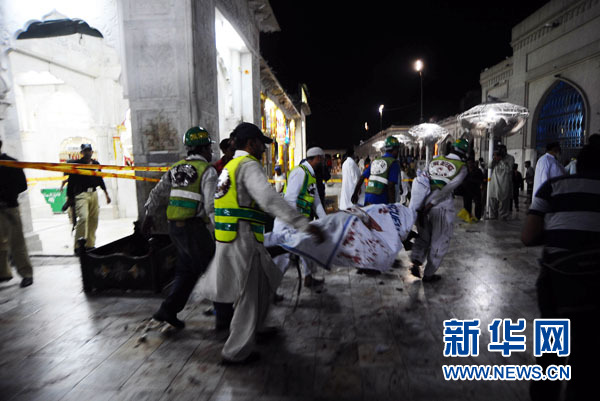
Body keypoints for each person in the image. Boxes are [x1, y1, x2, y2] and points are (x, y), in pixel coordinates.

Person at [197, 122, 324, 365]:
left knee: (265, 282)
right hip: (242, 240)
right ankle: (235, 351)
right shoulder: (247, 165)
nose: (264, 149)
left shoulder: (230, 166)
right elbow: (268, 199)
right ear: (250, 143)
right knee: (249, 295)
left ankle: (258, 327)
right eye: (261, 144)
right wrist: (303, 224)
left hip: (234, 237)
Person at [522, 140, 600, 401]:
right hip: (595, 287)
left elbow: (528, 237)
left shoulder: (553, 187)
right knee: (588, 356)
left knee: (550, 353)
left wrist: (559, 234)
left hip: (557, 283)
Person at [142, 126, 218, 329]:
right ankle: (224, 316)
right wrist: (219, 231)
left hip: (175, 229)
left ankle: (167, 311)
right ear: (203, 149)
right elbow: (211, 206)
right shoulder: (207, 171)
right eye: (209, 148)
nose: (211, 152)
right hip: (193, 229)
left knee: (187, 272)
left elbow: (156, 192)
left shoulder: (175, 168)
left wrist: (149, 215)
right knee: (215, 267)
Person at [410, 139, 469, 282]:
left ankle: (416, 261)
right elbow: (448, 188)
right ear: (464, 154)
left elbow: (423, 180)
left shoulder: (435, 159)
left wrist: (420, 205)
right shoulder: (461, 167)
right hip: (441, 208)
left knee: (424, 236)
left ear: (452, 148)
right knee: (440, 240)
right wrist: (432, 204)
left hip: (423, 206)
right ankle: (429, 274)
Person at [273, 146, 327, 287]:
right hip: (288, 222)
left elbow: (316, 203)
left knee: (307, 247)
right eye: (322, 160)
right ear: (318, 158)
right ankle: (270, 289)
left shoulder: (311, 176)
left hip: (299, 221)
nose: (323, 163)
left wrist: (326, 221)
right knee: (283, 259)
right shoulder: (300, 172)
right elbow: (290, 200)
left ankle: (308, 277)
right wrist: (297, 223)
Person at [0, 139, 34, 287]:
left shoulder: (11, 163)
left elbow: (22, 185)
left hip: (9, 208)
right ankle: (3, 273)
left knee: (17, 243)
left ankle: (26, 274)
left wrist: (6, 195)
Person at [65, 144, 111, 252]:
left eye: (89, 151)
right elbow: (71, 182)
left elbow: (100, 179)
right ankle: (78, 246)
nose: (87, 153)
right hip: (81, 194)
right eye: (85, 151)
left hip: (93, 193)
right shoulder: (77, 165)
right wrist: (70, 197)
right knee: (83, 218)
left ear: (92, 152)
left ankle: (90, 244)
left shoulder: (96, 164)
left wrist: (106, 194)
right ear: (82, 153)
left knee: (93, 219)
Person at [351, 136, 401, 206]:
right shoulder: (393, 163)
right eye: (398, 149)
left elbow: (362, 177)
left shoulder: (376, 161)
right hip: (381, 200)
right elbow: (391, 186)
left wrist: (355, 194)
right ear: (395, 150)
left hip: (368, 198)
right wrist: (392, 206)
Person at [487, 145, 514, 220]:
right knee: (492, 198)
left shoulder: (510, 158)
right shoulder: (495, 157)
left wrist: (501, 160)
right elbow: (489, 166)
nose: (500, 152)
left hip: (504, 182)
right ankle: (493, 215)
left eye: (502, 150)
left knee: (504, 201)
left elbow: (509, 169)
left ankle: (503, 216)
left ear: (505, 150)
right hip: (495, 181)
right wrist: (494, 159)